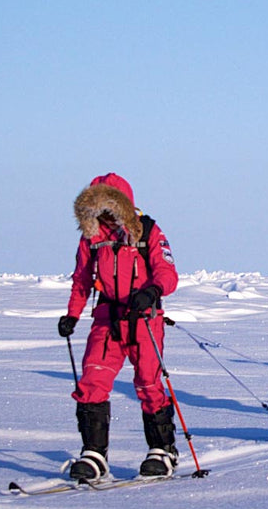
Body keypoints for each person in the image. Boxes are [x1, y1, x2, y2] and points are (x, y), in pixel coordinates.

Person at [58, 173, 180, 479]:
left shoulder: (148, 231)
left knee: (149, 383)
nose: (105, 217)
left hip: (144, 319)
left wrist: (152, 291)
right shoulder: (91, 239)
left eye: (109, 208)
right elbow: (82, 279)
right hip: (106, 318)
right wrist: (72, 315)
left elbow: (168, 272)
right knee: (91, 382)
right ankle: (94, 453)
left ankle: (163, 450)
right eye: (98, 210)